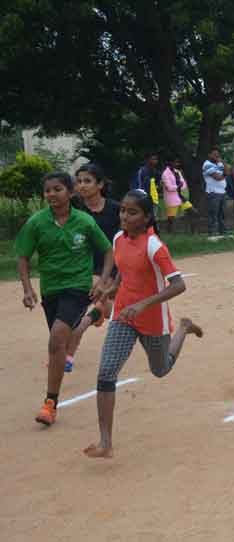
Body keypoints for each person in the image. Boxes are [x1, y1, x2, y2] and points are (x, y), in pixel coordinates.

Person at [84, 190, 203, 458]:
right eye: (123, 210)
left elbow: (179, 285)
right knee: (106, 373)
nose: (124, 216)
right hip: (124, 316)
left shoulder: (154, 246)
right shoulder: (117, 239)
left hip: (152, 319)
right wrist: (109, 290)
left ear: (147, 217)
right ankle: (105, 442)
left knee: (160, 369)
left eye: (132, 212)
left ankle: (183, 327)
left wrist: (145, 303)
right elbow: (123, 275)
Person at [16, 172, 114, 426]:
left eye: (57, 189)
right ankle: (96, 315)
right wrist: (27, 289)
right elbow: (23, 257)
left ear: (70, 193)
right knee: (59, 343)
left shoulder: (84, 222)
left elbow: (107, 252)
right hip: (51, 291)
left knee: (56, 338)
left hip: (78, 288)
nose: (52, 195)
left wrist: (102, 281)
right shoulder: (36, 223)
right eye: (48, 190)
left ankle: (50, 403)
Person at [65, 164, 121, 373]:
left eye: (87, 181)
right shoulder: (75, 212)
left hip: (115, 267)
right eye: (79, 181)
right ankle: (67, 356)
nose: (82, 186)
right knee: (84, 307)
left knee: (108, 310)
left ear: (100, 184)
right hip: (86, 268)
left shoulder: (116, 209)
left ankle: (96, 313)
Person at [203, 147, 227, 236]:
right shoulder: (207, 164)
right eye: (214, 154)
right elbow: (218, 178)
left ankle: (222, 233)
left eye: (217, 153)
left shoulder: (220, 163)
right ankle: (212, 233)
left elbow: (228, 172)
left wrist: (223, 163)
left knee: (222, 214)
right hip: (213, 193)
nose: (217, 155)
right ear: (209, 155)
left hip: (222, 192)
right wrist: (224, 173)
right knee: (213, 214)